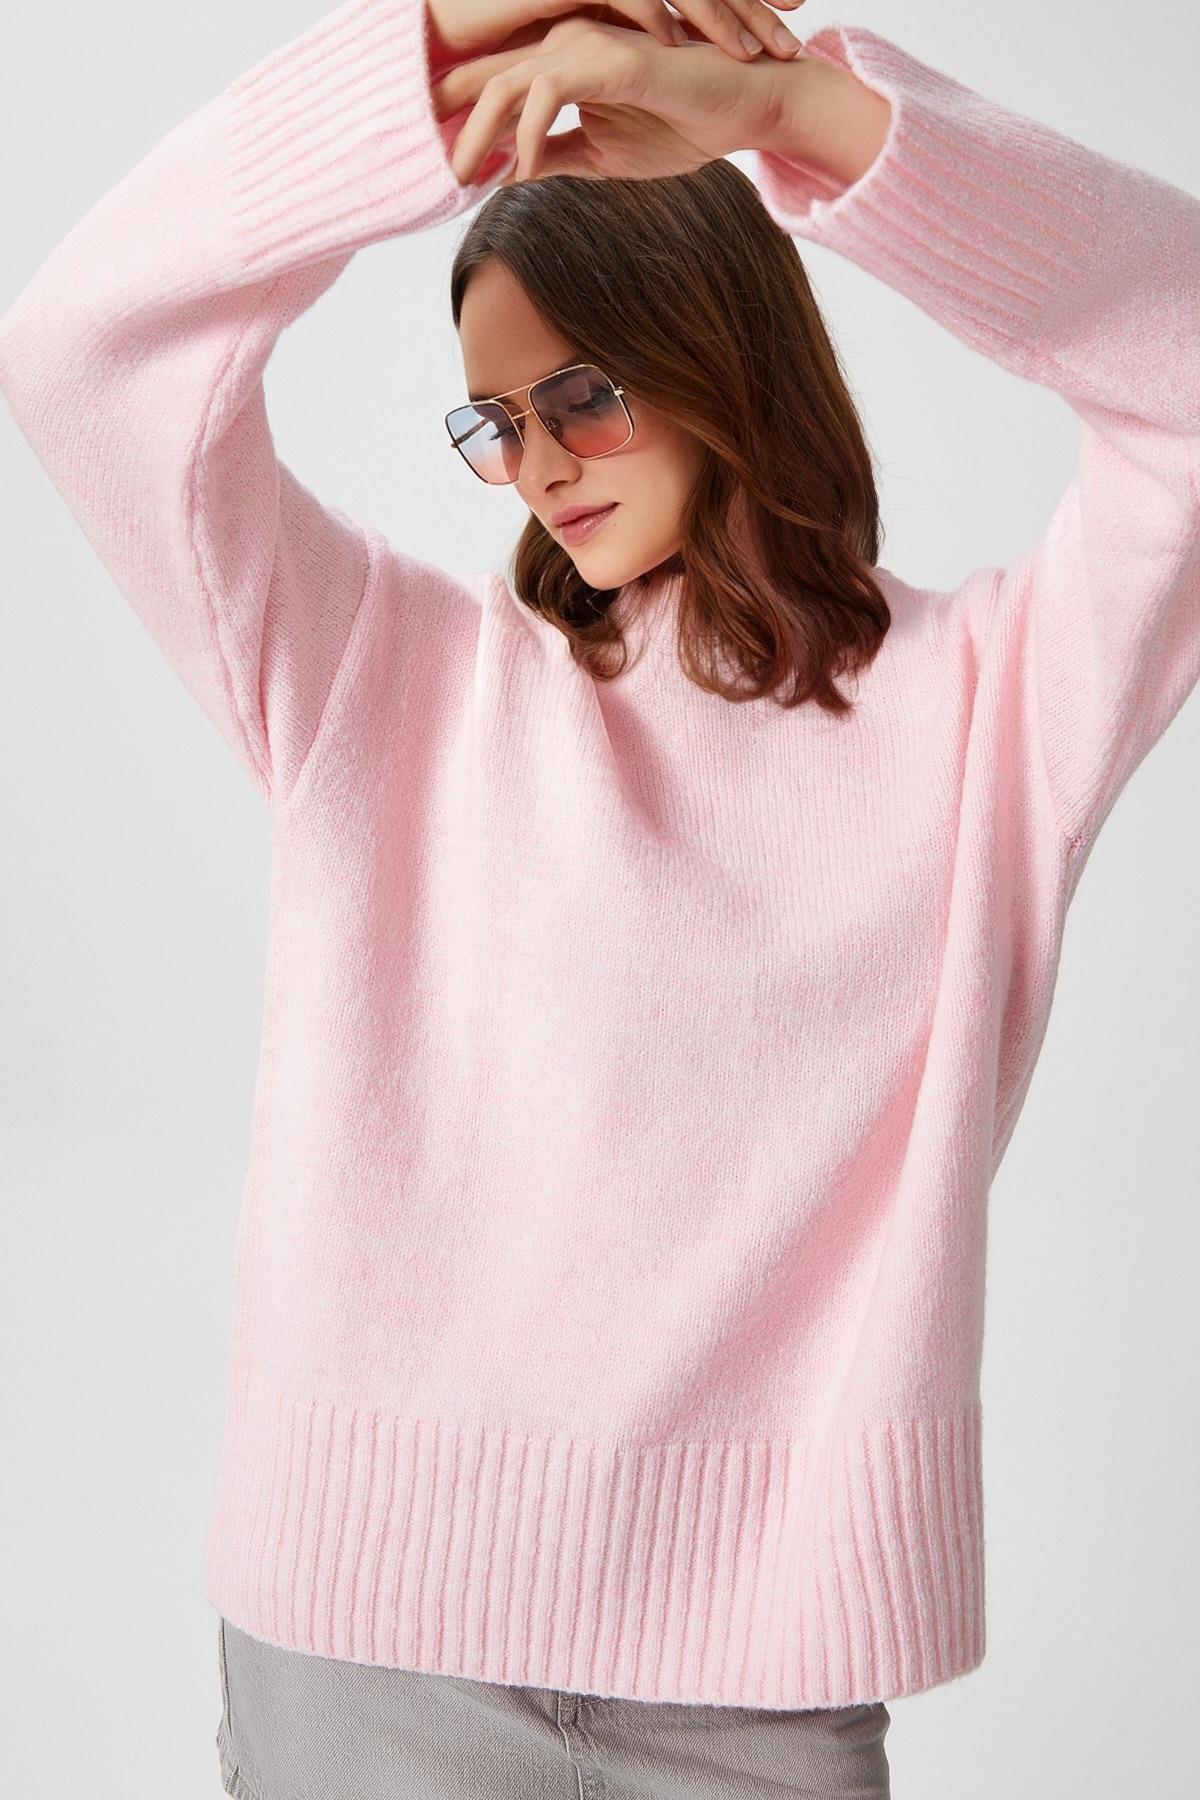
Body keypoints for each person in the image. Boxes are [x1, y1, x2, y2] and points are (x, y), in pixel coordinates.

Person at [1, 0, 1196, 1795]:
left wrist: (797, 119)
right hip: (365, 1652)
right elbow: (83, 357)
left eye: (583, 393)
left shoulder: (991, 715)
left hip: (763, 1679)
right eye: (497, 420)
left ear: (720, 350)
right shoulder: (383, 676)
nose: (543, 461)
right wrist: (428, 60)